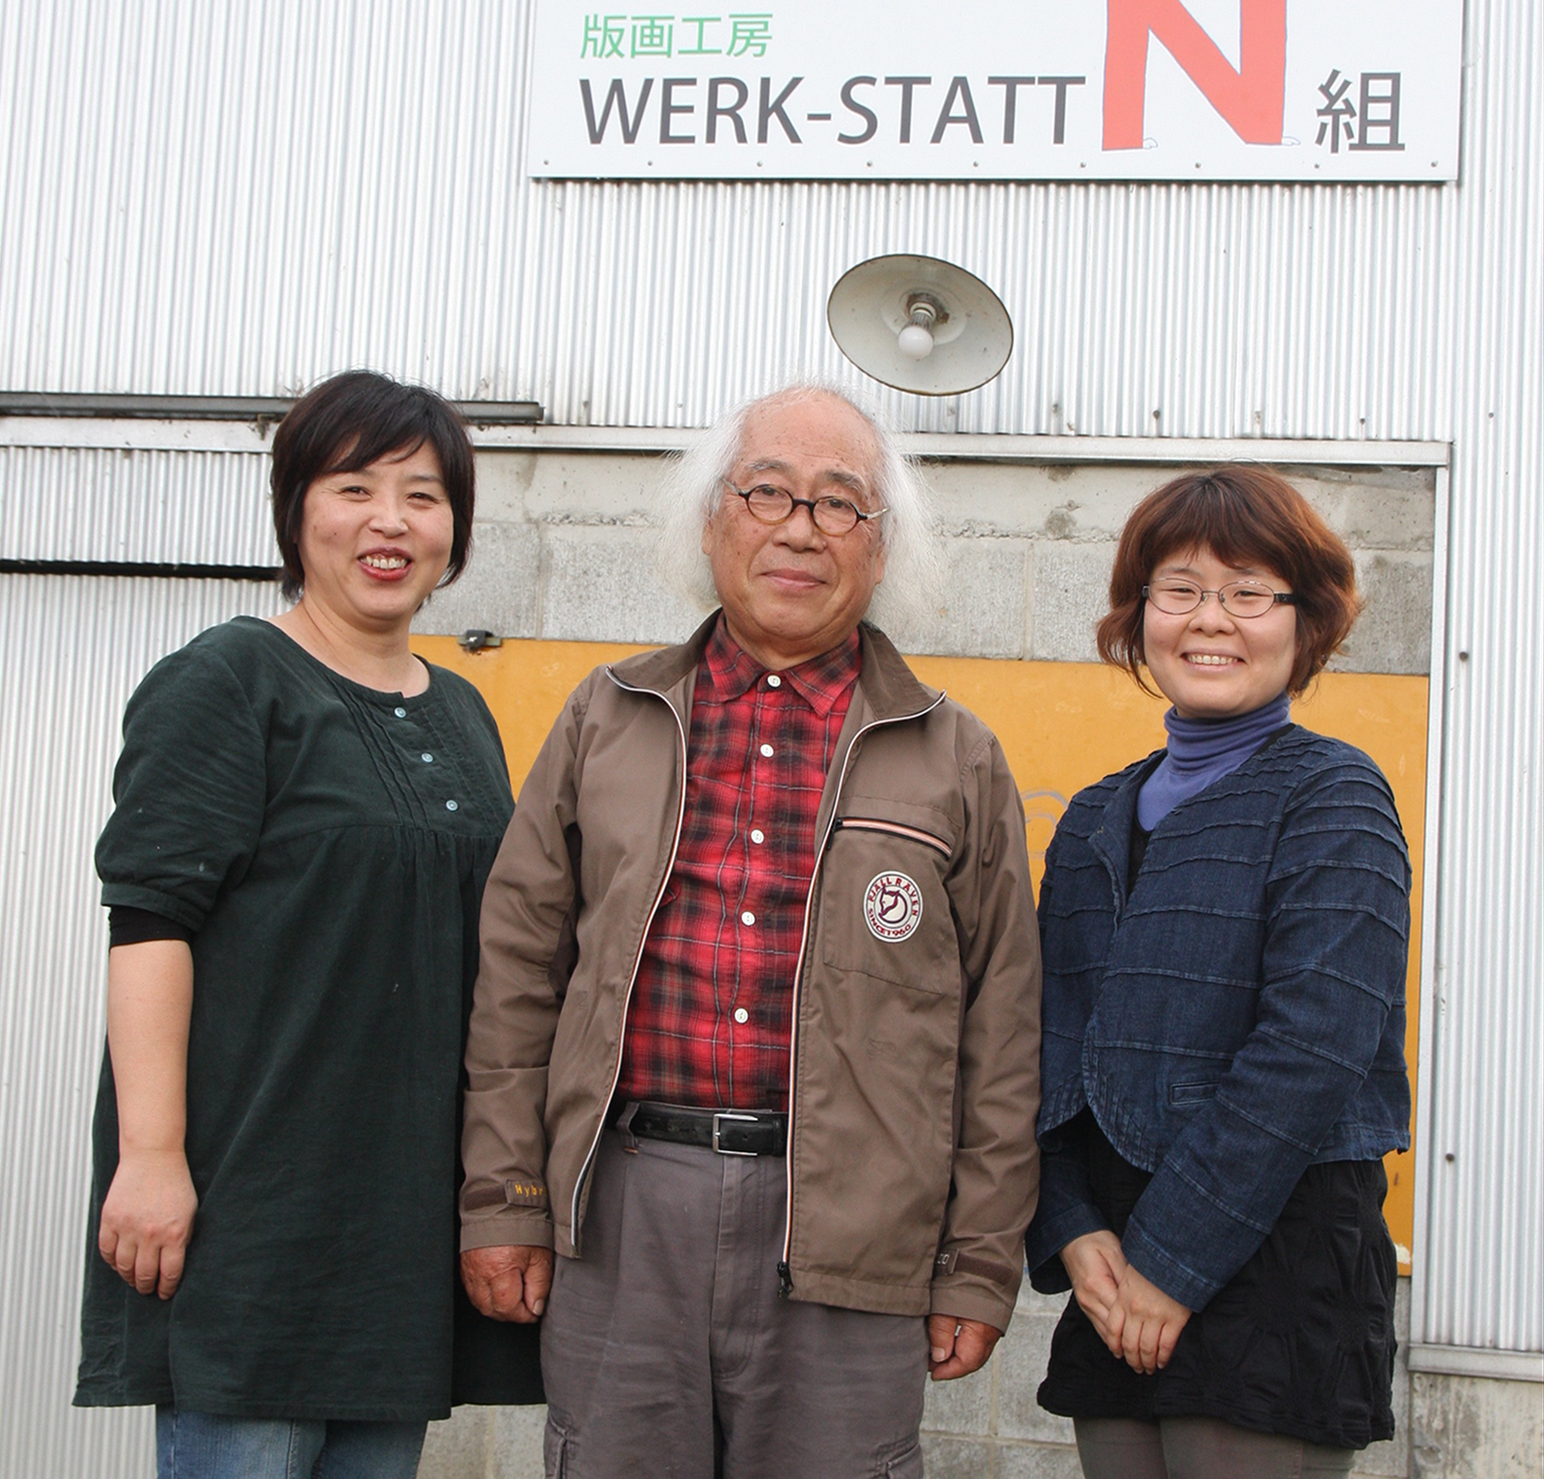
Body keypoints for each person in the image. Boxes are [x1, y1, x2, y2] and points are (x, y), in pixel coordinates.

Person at [458, 384, 1042, 1478]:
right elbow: (516, 979)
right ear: (711, 520)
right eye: (766, 491)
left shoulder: (956, 757)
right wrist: (504, 1199)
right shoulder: (604, 716)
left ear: (880, 549)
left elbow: (1001, 1030)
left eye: (840, 503)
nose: (800, 529)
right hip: (622, 1208)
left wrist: (976, 1259)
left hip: (855, 1234)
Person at [75, 372, 542, 1478]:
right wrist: (150, 1157)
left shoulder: (462, 711)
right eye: (354, 487)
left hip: (396, 1231)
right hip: (253, 1217)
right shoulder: (229, 680)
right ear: (296, 510)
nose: (391, 522)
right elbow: (150, 924)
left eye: (423, 496)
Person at [1024, 466, 1411, 1478]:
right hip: (1112, 1268)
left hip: (1273, 1261)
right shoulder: (1093, 817)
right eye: (1181, 588)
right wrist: (1071, 1229)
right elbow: (1044, 1044)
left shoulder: (1333, 796)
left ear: (1305, 621)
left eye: (1248, 591)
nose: (1210, 619)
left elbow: (1312, 1049)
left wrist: (1172, 1263)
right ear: (1139, 612)